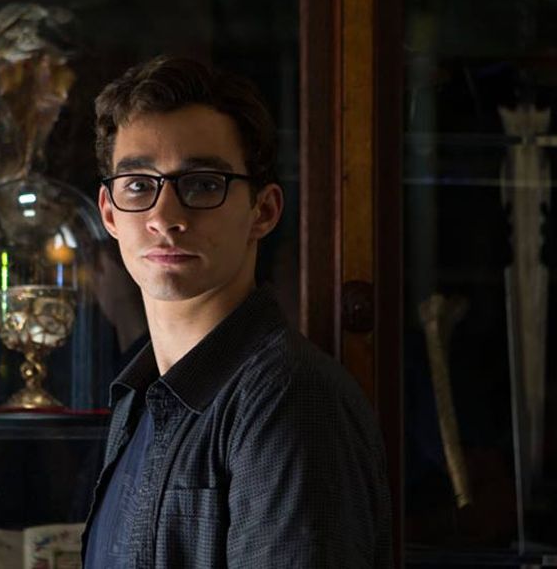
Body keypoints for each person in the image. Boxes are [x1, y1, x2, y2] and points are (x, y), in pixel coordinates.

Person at [81, 56, 392, 568]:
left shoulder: (290, 399)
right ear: (110, 213)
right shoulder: (136, 402)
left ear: (263, 211)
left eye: (203, 183)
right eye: (138, 184)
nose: (164, 217)